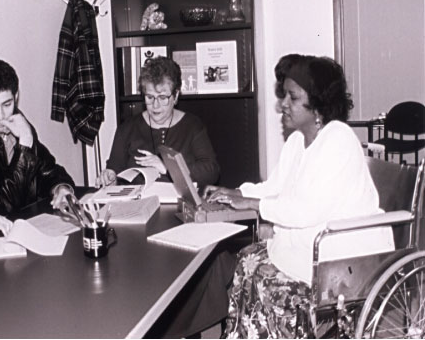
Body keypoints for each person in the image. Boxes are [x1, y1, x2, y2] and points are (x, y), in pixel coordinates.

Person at [204, 55, 394, 338]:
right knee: (245, 260)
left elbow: (307, 211)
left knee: (266, 281)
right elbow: (275, 187)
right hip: (308, 246)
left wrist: (254, 204)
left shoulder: (338, 139)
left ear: (316, 104)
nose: (283, 104)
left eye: (292, 97)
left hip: (341, 254)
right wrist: (238, 192)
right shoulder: (296, 141)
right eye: (285, 96)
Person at [0, 59, 77, 220]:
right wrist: (25, 144)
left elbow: (47, 169)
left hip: (31, 221)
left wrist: (61, 188)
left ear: (16, 96)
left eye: (6, 104)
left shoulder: (19, 123)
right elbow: (4, 204)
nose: (0, 115)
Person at [102, 56, 219, 185]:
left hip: (181, 203)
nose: (155, 105)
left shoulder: (192, 126)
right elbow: (114, 170)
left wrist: (168, 169)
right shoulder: (127, 128)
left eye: (163, 97)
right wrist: (109, 178)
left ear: (175, 96)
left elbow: (211, 172)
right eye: (150, 97)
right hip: (139, 203)